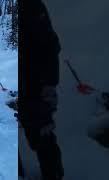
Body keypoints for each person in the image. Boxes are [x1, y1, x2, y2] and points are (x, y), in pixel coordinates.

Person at [22, 0, 64, 179]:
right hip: (24, 86)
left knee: (42, 134)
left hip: (37, 86)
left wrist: (49, 84)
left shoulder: (31, 6)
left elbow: (50, 45)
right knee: (31, 133)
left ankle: (53, 176)